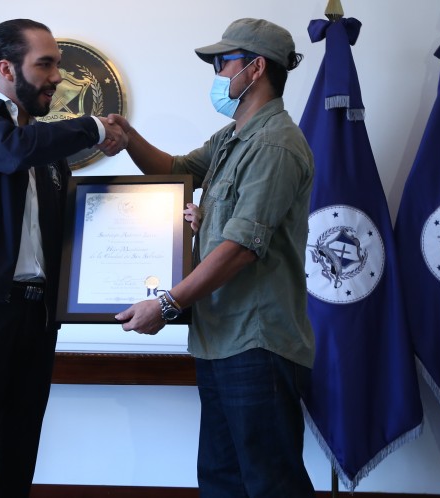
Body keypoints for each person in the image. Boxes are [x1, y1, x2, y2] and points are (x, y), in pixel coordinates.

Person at [105, 18, 316, 497]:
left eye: (223, 63)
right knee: (222, 481)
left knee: (270, 483)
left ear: (255, 68)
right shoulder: (233, 137)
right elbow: (177, 170)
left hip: (257, 341)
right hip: (219, 338)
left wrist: (166, 304)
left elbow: (239, 249)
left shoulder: (275, 144)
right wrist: (129, 137)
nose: (217, 75)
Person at [0, 18, 127, 498]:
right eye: (46, 64)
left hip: (37, 316)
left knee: (16, 457)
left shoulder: (45, 146)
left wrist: (165, 224)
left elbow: (73, 230)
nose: (57, 77)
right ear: (6, 69)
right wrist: (94, 126)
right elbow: (10, 152)